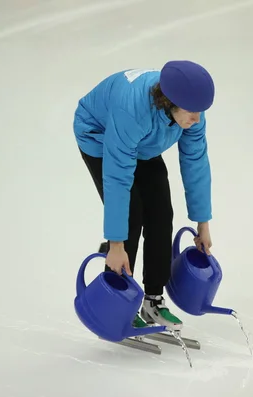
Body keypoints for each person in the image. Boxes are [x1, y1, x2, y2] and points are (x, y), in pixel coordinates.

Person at [73, 60, 215, 332]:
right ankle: (114, 298)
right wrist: (116, 244)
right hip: (101, 136)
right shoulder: (132, 110)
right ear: (169, 101)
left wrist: (202, 224)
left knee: (161, 212)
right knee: (132, 214)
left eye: (201, 112)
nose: (196, 119)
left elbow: (196, 162)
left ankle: (153, 299)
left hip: (144, 142)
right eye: (191, 112)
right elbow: (117, 177)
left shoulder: (190, 109)